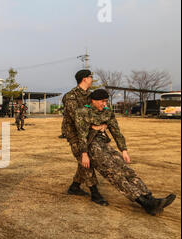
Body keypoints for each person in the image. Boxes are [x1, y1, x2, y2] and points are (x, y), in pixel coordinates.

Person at [75, 89, 176, 215]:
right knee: (115, 173)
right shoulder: (82, 112)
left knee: (127, 170)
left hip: (104, 144)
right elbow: (81, 135)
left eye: (106, 101)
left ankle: (150, 198)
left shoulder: (107, 112)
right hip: (91, 147)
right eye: (102, 101)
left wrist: (124, 150)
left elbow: (116, 132)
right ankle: (144, 203)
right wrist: (84, 153)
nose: (105, 104)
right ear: (93, 100)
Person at [62, 70, 107, 205]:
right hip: (74, 133)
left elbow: (97, 111)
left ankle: (75, 186)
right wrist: (94, 125)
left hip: (88, 133)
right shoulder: (71, 96)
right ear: (84, 79)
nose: (92, 79)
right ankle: (94, 192)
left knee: (84, 161)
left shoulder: (90, 96)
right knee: (85, 160)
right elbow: (76, 116)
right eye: (90, 77)